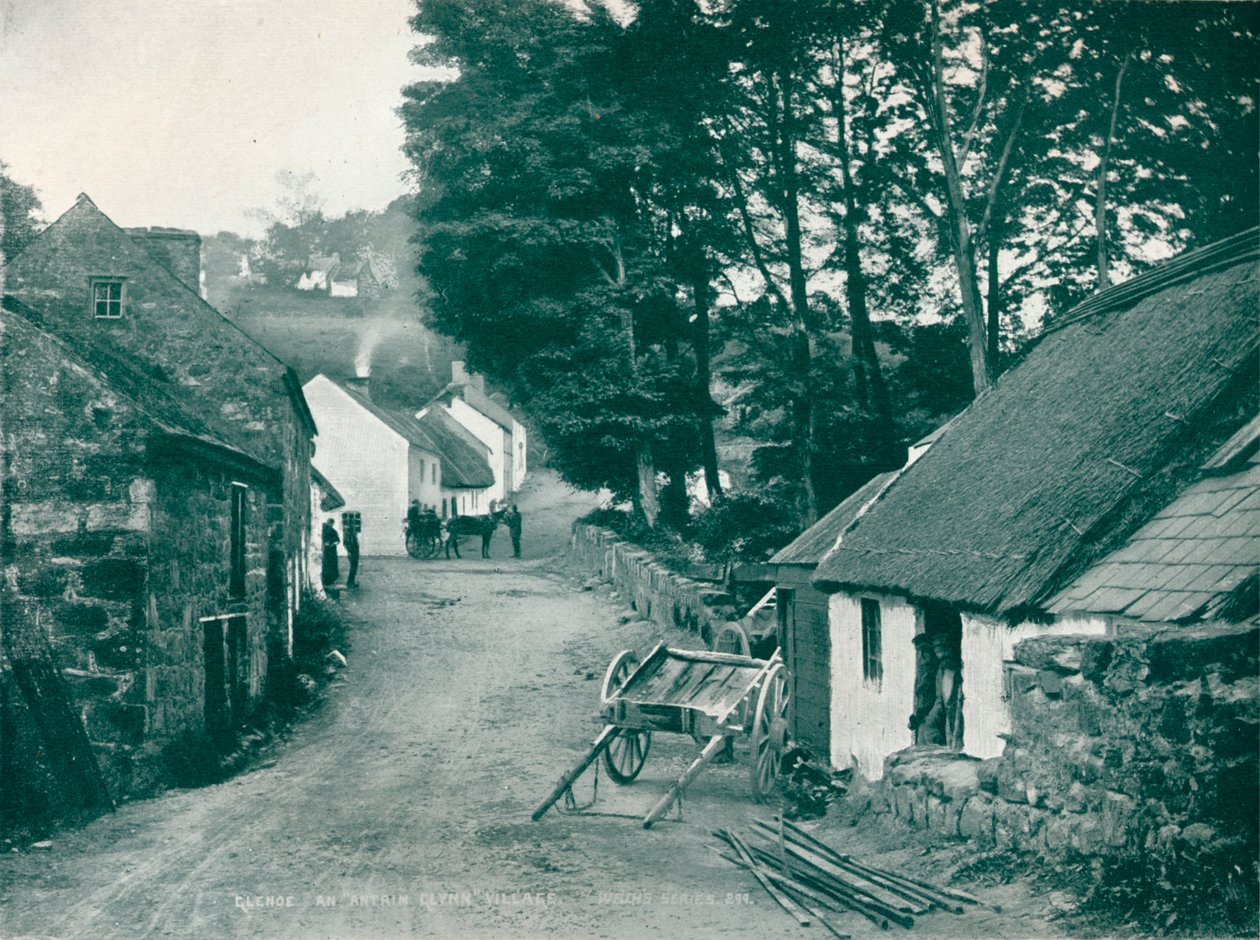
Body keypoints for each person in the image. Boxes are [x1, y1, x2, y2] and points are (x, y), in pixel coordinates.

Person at [321, 519, 340, 587]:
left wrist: (329, 543)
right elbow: (337, 540)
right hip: (330, 550)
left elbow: (337, 540)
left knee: (328, 564)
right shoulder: (332, 531)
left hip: (327, 550)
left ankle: (327, 580)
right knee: (331, 565)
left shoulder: (324, 530)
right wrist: (332, 543)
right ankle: (329, 580)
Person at [343, 522, 360, 588]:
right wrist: (349, 552)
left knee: (354, 568)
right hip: (352, 553)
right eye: (354, 528)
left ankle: (351, 582)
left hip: (355, 552)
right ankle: (350, 582)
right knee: (353, 568)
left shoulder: (352, 535)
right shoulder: (348, 535)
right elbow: (346, 544)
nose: (355, 530)